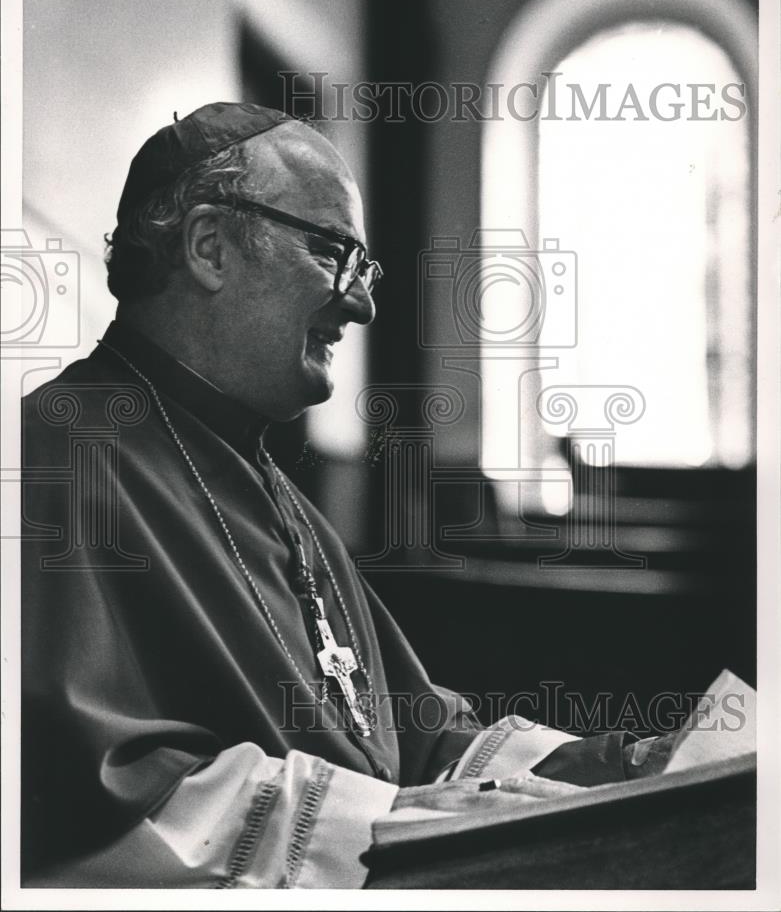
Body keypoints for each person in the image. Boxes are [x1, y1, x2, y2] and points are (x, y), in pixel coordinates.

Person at [21, 103, 667, 889]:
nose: (360, 303)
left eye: (363, 269)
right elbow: (88, 793)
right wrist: (407, 826)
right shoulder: (51, 457)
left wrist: (627, 771)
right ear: (209, 247)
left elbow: (413, 741)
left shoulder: (279, 498)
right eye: (334, 253)